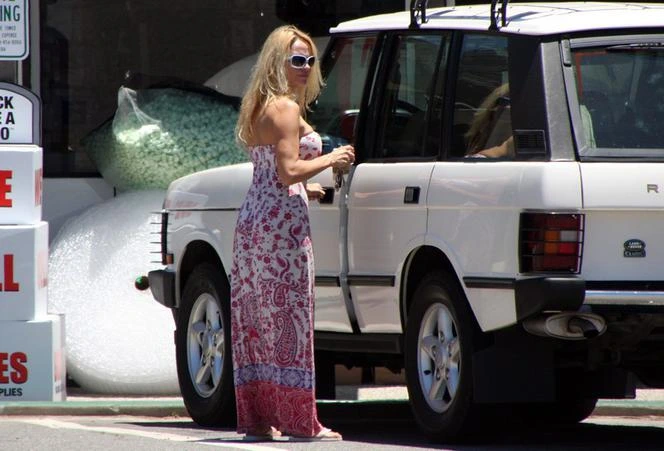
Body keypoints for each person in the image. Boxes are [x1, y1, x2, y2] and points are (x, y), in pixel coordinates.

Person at [230, 25, 355, 442]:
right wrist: (331, 157)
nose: (305, 68)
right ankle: (302, 422)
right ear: (277, 63)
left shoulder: (261, 106)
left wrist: (308, 188)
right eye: (296, 60)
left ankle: (258, 419)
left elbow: (270, 170)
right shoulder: (283, 108)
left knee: (259, 322)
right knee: (290, 318)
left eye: (310, 60)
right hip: (280, 230)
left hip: (254, 222)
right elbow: (286, 171)